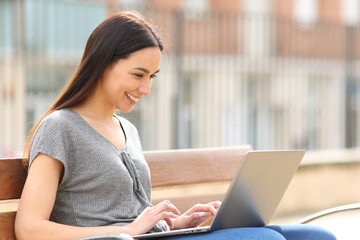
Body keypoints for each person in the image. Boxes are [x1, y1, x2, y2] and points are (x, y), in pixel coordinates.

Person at [15, 11, 336, 240]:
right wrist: (123, 232)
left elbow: (136, 216)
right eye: (138, 74)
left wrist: (177, 224)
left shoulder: (128, 130)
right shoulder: (60, 127)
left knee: (317, 235)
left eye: (151, 77)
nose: (146, 89)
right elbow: (29, 229)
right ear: (102, 63)